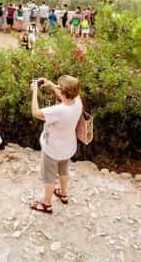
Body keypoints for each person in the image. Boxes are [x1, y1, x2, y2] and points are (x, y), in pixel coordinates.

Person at [29, 76, 82, 213]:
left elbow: (35, 113)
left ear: (63, 92)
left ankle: (46, 204)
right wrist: (52, 85)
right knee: (63, 170)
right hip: (68, 146)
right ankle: (63, 194)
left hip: (52, 149)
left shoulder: (58, 111)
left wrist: (35, 91)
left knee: (49, 176)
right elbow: (67, 96)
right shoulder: (78, 102)